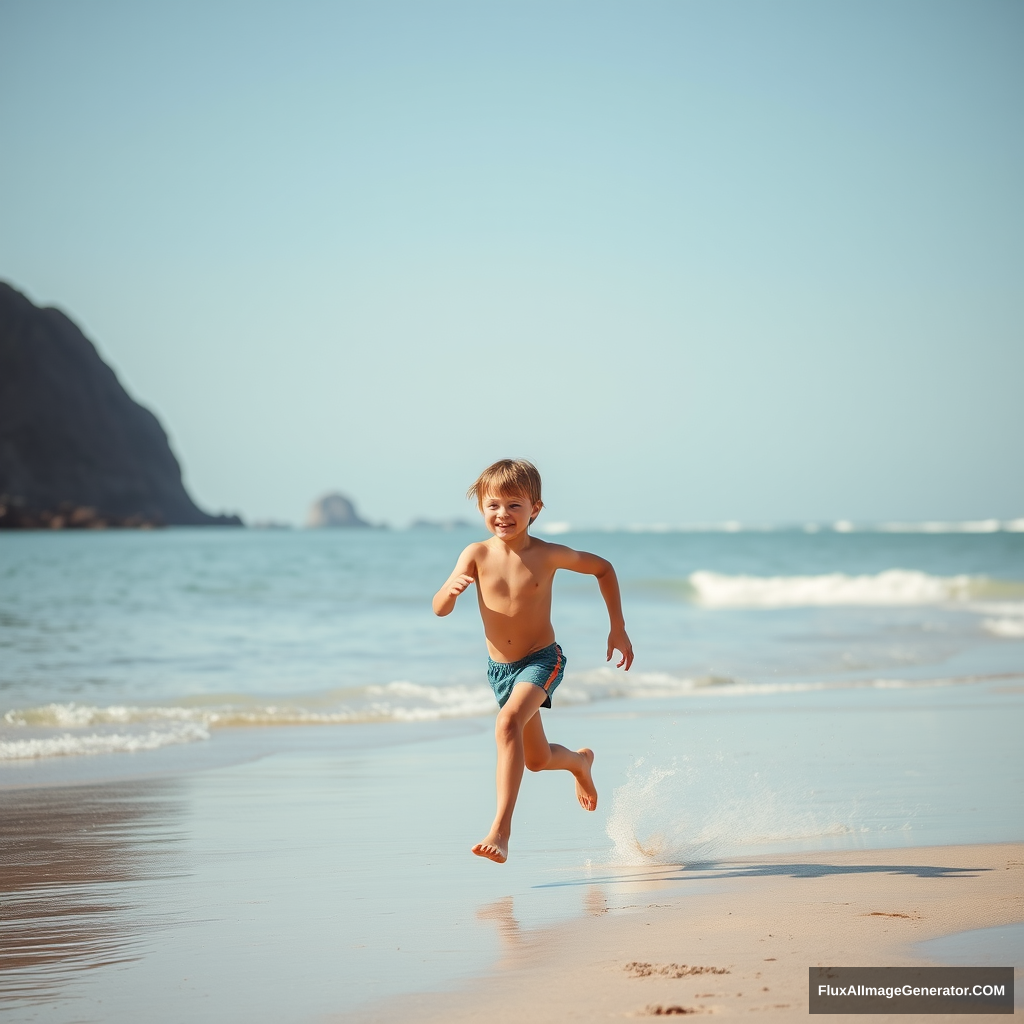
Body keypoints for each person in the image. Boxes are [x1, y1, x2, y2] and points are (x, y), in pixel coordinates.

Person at [432, 458, 634, 863]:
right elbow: (439, 608)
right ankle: (579, 762)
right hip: (501, 671)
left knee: (507, 723)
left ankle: (500, 830)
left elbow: (604, 569)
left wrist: (618, 628)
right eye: (493, 506)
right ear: (481, 510)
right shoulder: (474, 553)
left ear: (535, 509)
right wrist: (450, 593)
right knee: (538, 760)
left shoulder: (549, 554)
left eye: (514, 505)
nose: (502, 514)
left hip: (543, 660)